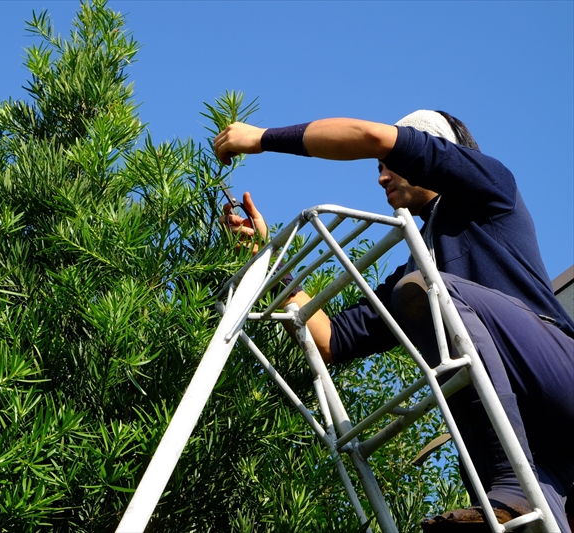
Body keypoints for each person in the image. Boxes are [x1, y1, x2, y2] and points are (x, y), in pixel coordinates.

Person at [214, 111, 574, 532]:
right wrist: (269, 260)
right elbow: (331, 338)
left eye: (389, 165)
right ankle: (514, 489)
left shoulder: (490, 189)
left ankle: (512, 484)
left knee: (426, 292)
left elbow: (371, 136)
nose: (381, 178)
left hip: (558, 380)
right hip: (534, 452)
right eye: (379, 168)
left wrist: (262, 138)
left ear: (435, 153)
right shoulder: (414, 271)